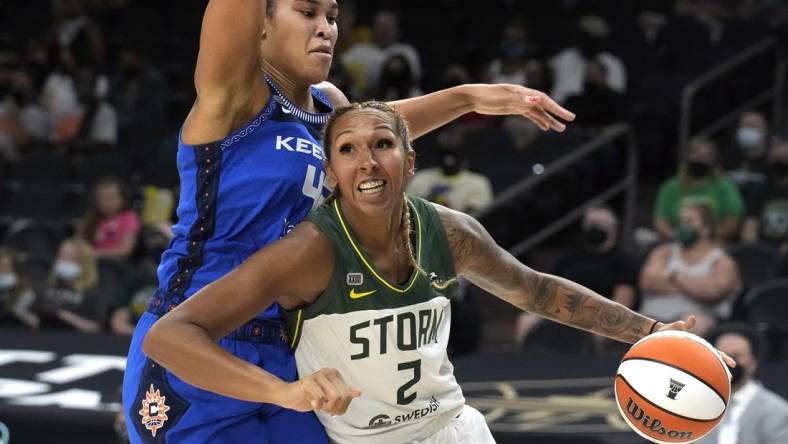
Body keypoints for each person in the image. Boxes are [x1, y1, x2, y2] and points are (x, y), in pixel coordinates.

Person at [143, 102, 731, 444]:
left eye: (382, 143)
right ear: (331, 171)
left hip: (453, 429)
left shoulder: (449, 231)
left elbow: (537, 291)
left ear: (410, 160)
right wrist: (285, 392)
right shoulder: (309, 251)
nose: (367, 159)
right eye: (347, 149)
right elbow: (169, 336)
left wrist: (651, 332)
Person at [122, 1, 576, 443]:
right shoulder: (235, 99)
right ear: (259, 25)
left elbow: (382, 130)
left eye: (332, 16)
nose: (326, 29)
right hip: (201, 343)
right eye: (307, 12)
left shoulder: (329, 107)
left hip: (295, 351)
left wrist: (467, 97)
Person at [640, 203, 741, 336]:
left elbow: (712, 292)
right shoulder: (664, 252)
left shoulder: (722, 261)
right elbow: (648, 282)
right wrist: (694, 286)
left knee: (695, 326)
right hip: (653, 317)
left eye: (689, 221)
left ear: (706, 228)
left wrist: (674, 276)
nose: (683, 227)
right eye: (681, 222)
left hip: (694, 322)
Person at [695, 323, 788, 444]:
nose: (729, 361)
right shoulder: (692, 402)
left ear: (753, 363)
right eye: (722, 354)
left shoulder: (777, 411)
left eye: (737, 356)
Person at [653, 137, 744, 241]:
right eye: (696, 154)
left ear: (714, 159)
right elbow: (660, 223)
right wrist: (679, 237)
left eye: (706, 155)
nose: (700, 159)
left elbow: (732, 223)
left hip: (714, 243)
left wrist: (706, 237)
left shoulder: (725, 187)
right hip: (676, 242)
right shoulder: (671, 187)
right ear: (687, 157)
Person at [78, 176, 140, 259]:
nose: (107, 202)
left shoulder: (129, 217)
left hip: (115, 265)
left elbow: (125, 250)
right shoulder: (91, 218)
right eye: (103, 198)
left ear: (123, 199)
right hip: (89, 264)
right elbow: (78, 243)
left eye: (112, 198)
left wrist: (94, 254)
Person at [0, 246, 39, 328]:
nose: (3, 269)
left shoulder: (24, 288)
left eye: (7, 266)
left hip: (13, 327)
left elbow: (21, 311)